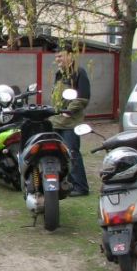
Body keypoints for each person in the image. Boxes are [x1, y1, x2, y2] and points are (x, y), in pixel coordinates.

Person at [50, 42, 91, 197]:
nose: (57, 59)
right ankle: (66, 182)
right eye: (56, 57)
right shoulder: (59, 73)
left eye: (60, 56)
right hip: (57, 121)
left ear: (70, 55)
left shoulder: (79, 72)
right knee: (58, 153)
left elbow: (83, 97)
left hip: (70, 123)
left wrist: (69, 111)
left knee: (72, 153)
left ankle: (80, 187)